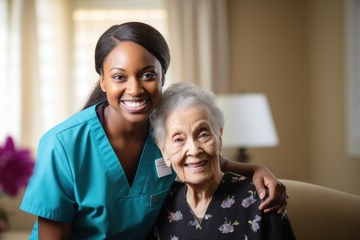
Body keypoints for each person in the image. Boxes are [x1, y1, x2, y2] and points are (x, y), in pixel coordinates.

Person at [20, 22, 288, 240]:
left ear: (163, 78)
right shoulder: (62, 145)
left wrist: (257, 171)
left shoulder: (165, 132)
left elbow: (204, 160)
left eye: (148, 75)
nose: (135, 89)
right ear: (102, 79)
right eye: (119, 77)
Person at [148, 82, 296, 239]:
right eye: (178, 139)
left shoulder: (260, 200)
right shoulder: (161, 206)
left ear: (219, 137)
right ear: (164, 151)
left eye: (203, 134)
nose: (194, 150)